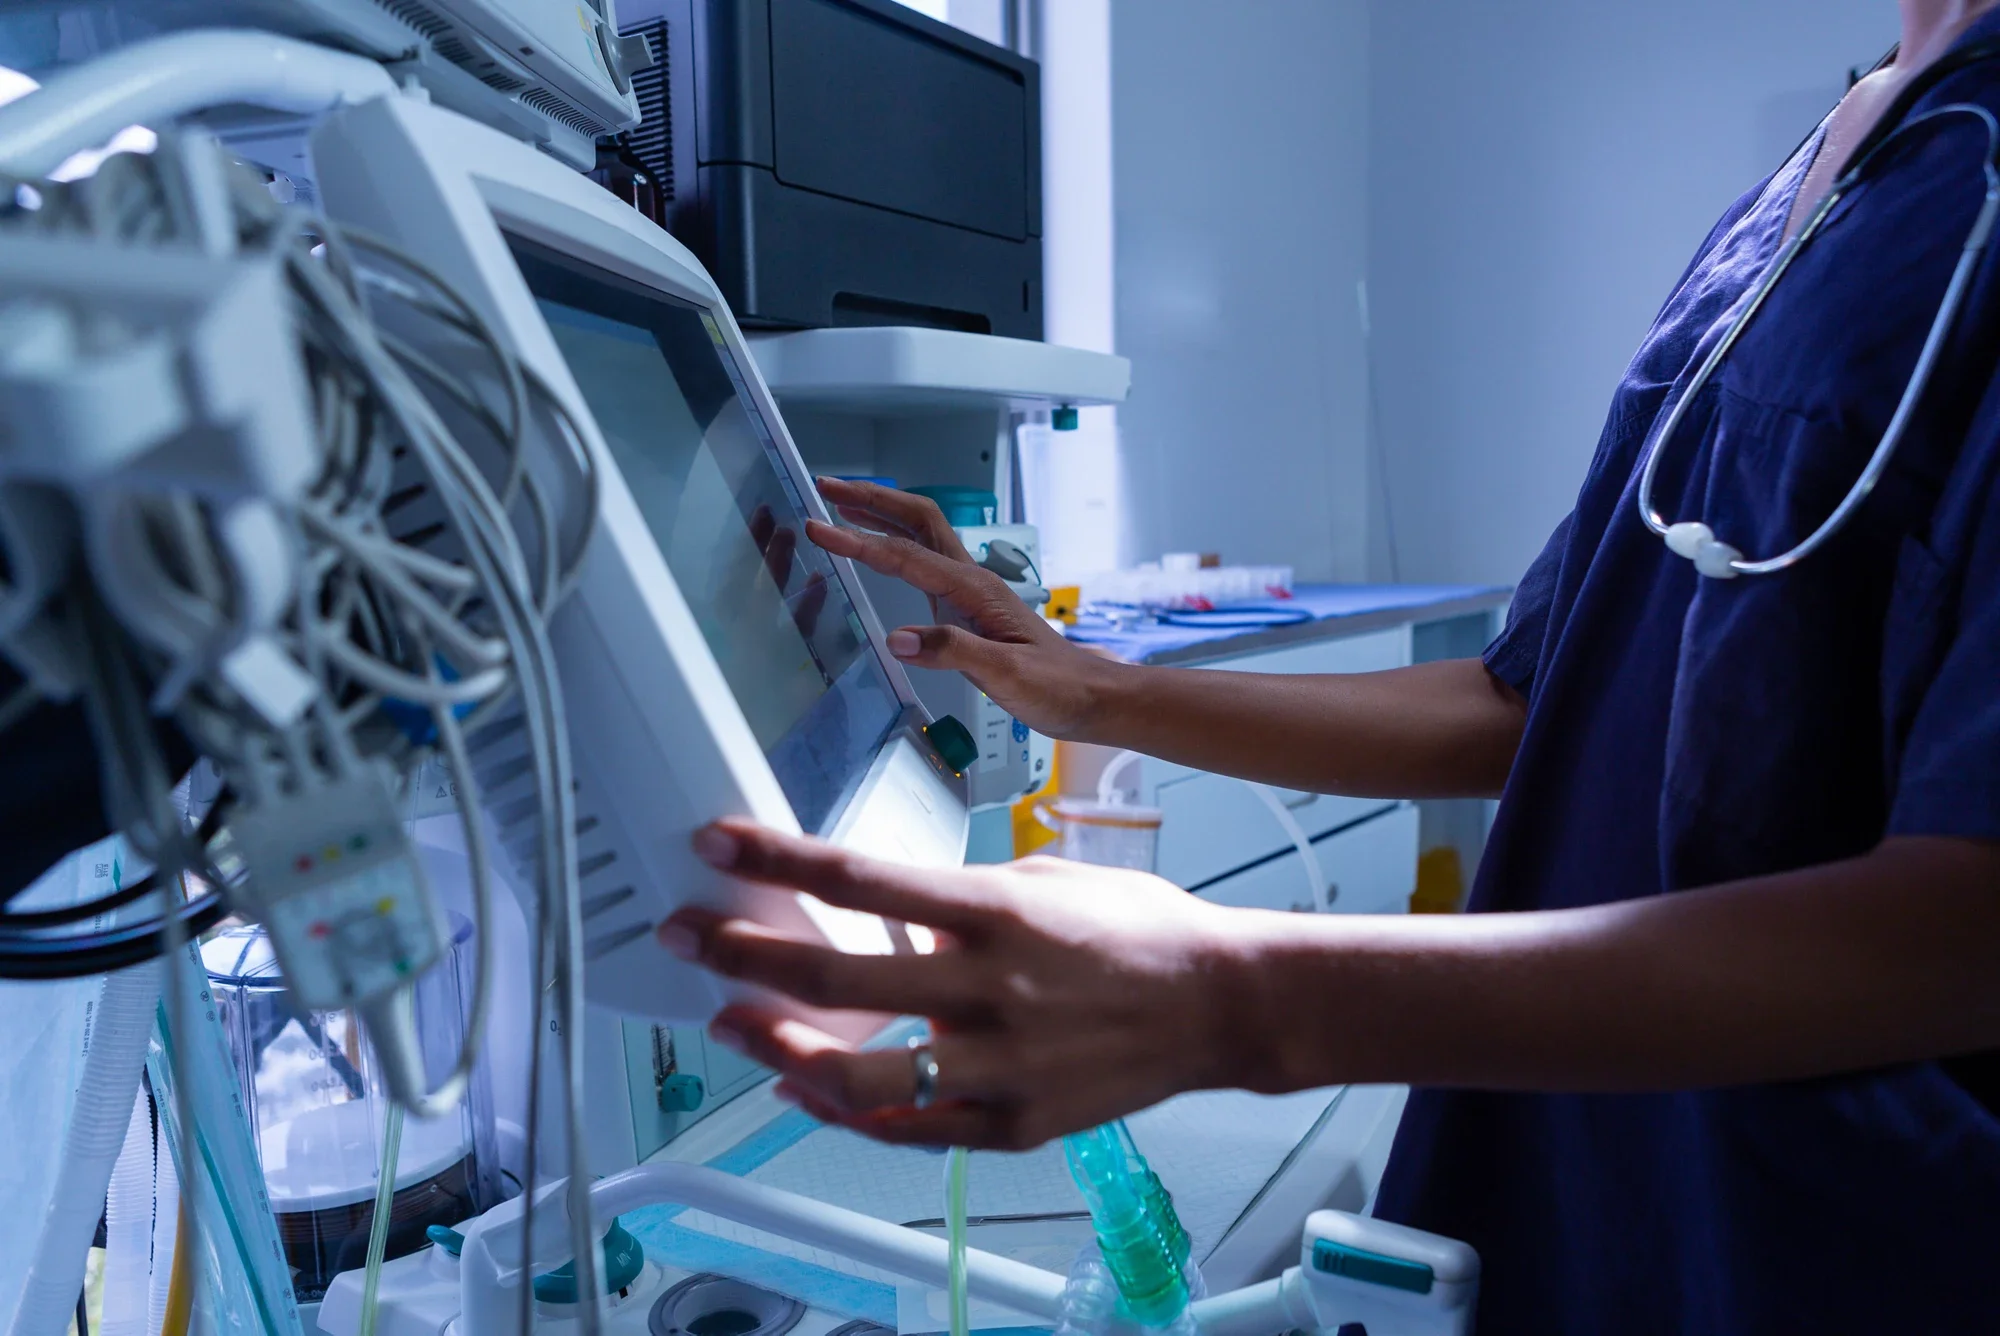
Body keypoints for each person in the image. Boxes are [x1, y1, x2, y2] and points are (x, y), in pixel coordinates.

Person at [658, 2, 2000, 1329]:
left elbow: (1966, 922)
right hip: (1592, 1186)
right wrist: (1094, 688)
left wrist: (1238, 999)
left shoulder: (1970, 192)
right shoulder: (1836, 162)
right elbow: (1525, 699)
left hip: (1829, 1239)